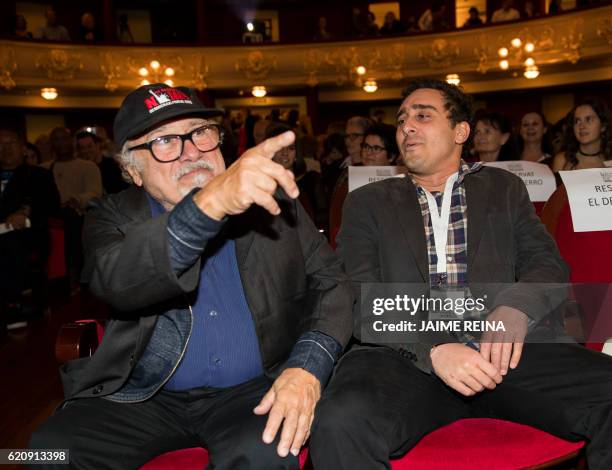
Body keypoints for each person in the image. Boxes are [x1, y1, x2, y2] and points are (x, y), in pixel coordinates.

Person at [30, 83, 352, 469]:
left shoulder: (274, 203)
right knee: (46, 449)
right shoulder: (110, 215)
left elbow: (332, 283)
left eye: (201, 132)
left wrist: (306, 368)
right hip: (145, 395)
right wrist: (210, 204)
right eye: (166, 140)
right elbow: (116, 280)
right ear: (132, 169)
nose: (193, 151)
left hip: (253, 391)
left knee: (266, 451)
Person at [309, 78, 612, 470]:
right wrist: (434, 347)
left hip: (500, 351)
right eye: (402, 120)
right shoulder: (368, 202)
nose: (407, 127)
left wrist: (514, 310)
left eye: (422, 116)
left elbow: (547, 263)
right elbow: (358, 292)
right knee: (339, 422)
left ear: (460, 131)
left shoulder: (503, 189)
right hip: (401, 356)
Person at [0, 129, 60, 331]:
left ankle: (13, 304)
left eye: (10, 143)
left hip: (28, 235)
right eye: (1, 144)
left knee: (11, 243)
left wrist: (27, 211)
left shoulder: (38, 175)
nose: (5, 148)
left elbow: (51, 205)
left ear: (22, 148)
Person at [48, 127, 102, 293]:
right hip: (50, 216)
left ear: (71, 142)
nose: (61, 143)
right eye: (56, 139)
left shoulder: (88, 167)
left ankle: (75, 276)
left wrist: (76, 200)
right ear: (52, 144)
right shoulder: (44, 168)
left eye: (64, 138)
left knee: (73, 221)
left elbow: (95, 193)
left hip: (78, 216)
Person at [552, 98, 611, 171]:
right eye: (577, 121)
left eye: (589, 119)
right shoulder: (562, 161)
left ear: (603, 126)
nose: (582, 126)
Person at [75, 130, 128, 194]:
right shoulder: (80, 170)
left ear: (97, 145)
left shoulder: (112, 165)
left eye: (89, 146)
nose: (86, 151)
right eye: (82, 148)